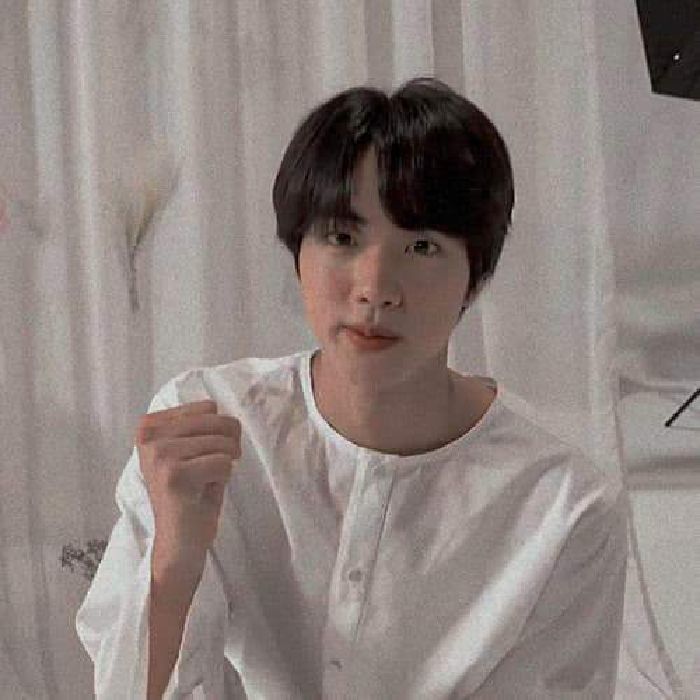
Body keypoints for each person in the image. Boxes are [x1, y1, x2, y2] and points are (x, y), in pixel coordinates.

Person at [76, 77, 629, 698]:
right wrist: (172, 565)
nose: (375, 288)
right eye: (342, 238)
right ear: (297, 254)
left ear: (475, 273)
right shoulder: (205, 428)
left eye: (421, 246)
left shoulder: (565, 508)